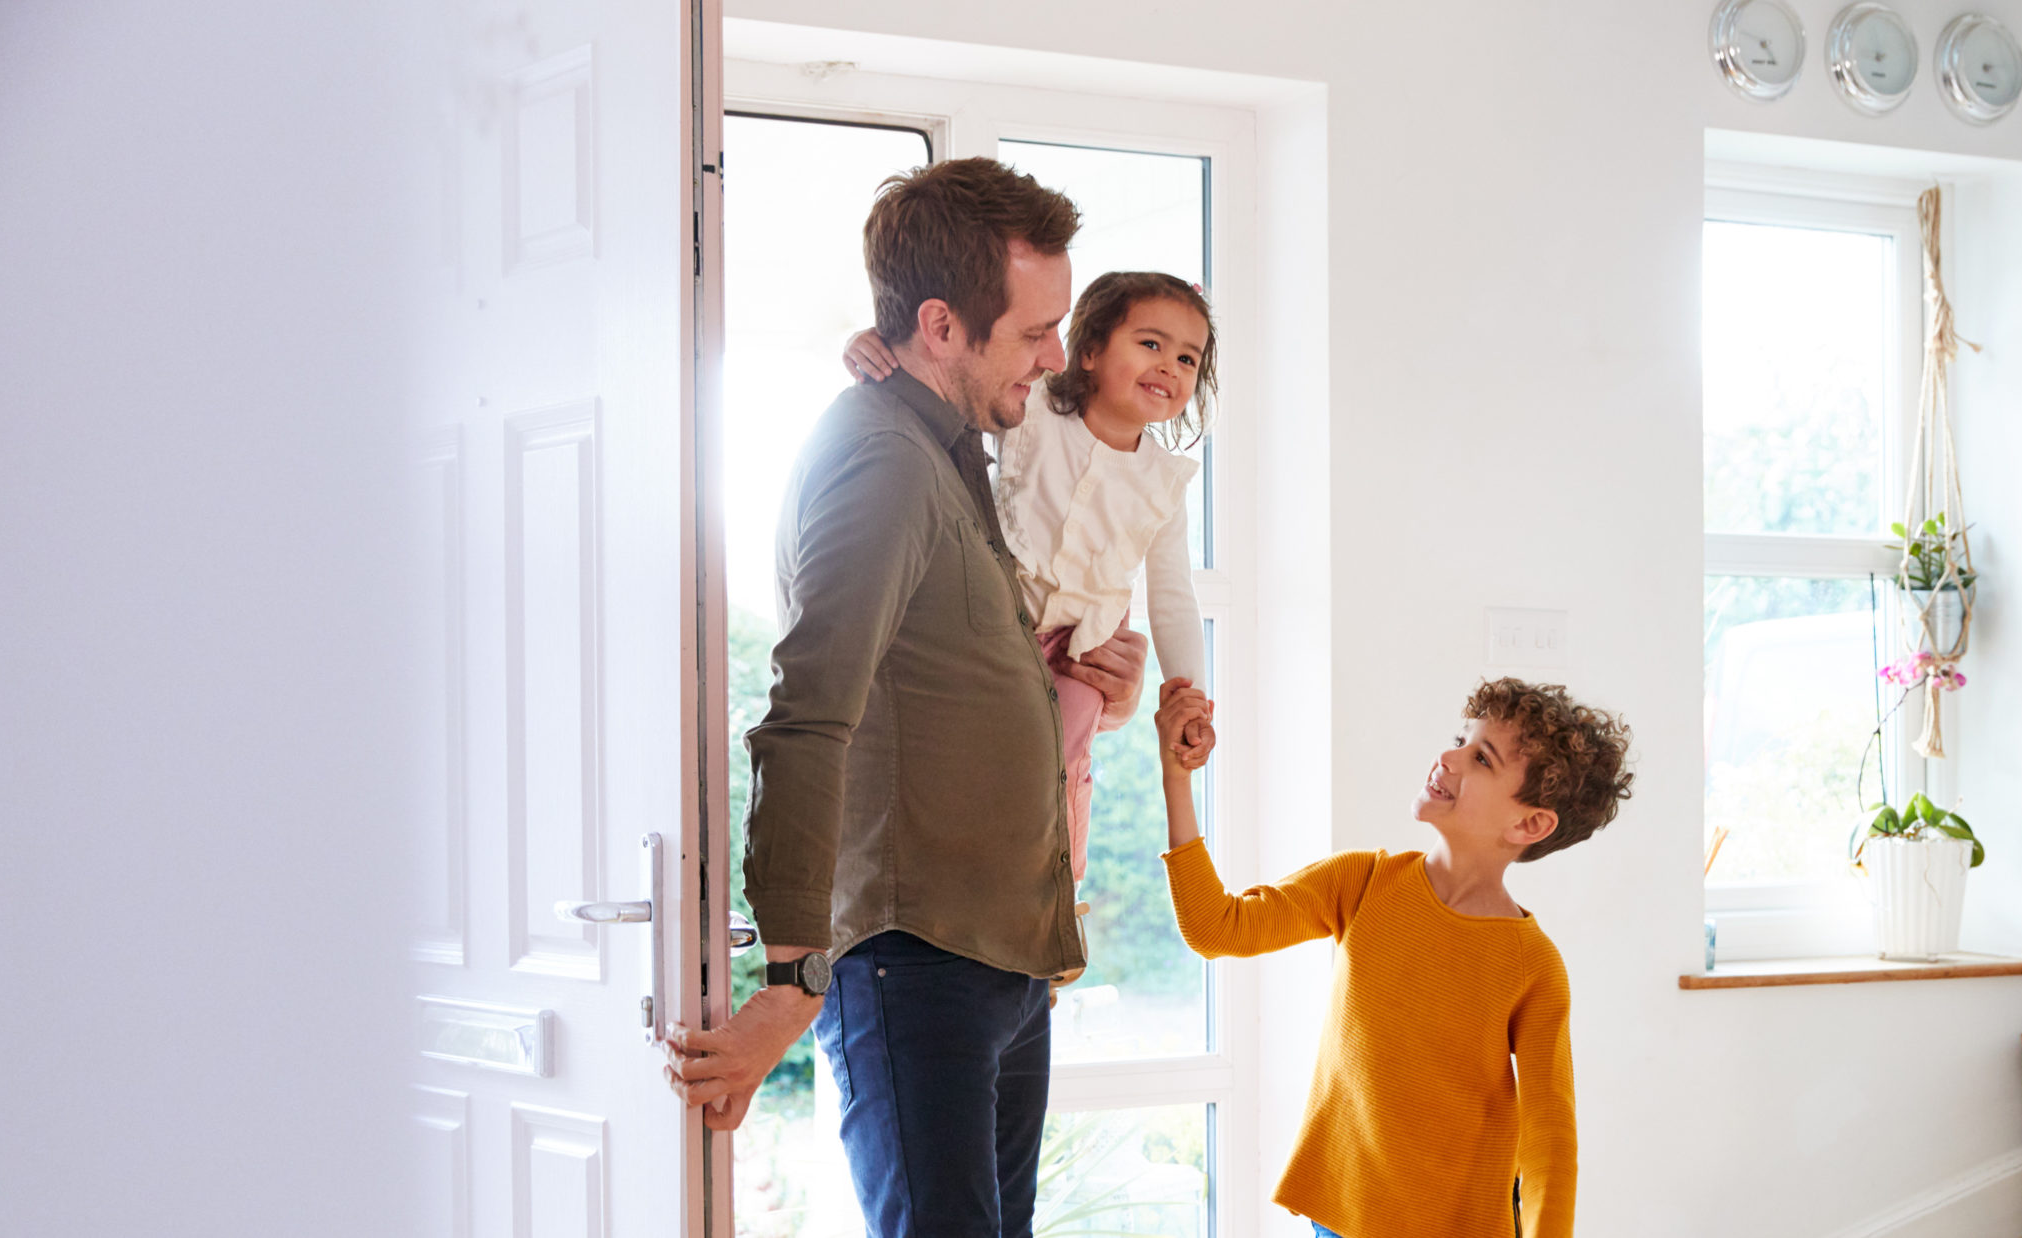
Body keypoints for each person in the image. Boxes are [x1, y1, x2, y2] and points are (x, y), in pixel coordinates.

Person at [660, 157, 1150, 1238]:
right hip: (912, 961)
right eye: (1033, 333)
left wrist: (1080, 680)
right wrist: (791, 974)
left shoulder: (955, 450)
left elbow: (955, 673)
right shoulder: (877, 458)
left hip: (1000, 960)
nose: (1057, 358)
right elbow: (808, 711)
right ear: (941, 325)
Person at [1151, 677, 1634, 1238]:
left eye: (1480, 758)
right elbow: (1219, 928)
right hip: (1341, 1215)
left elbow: (1549, 1138)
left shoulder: (1532, 965)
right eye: (1460, 737)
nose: (1448, 756)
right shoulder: (1362, 883)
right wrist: (1177, 779)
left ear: (1529, 824)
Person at [843, 271, 1220, 887]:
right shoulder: (1034, 408)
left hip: (1076, 649)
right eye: (1151, 345)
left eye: (1187, 358)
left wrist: (1189, 697)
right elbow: (945, 394)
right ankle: (949, 864)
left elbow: (1175, 599)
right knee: (970, 755)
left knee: (1064, 754)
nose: (1170, 367)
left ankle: (1056, 894)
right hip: (990, 626)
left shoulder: (1163, 482)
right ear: (1090, 351)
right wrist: (873, 348)